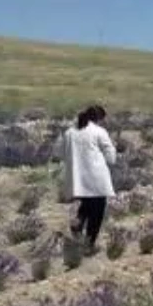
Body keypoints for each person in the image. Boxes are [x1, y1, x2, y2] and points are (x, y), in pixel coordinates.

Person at [55, 104, 117, 251]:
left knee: (87, 204)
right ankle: (89, 243)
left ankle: (79, 222)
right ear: (98, 119)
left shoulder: (69, 132)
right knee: (98, 210)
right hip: (96, 176)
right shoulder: (99, 131)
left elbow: (59, 153)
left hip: (77, 178)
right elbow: (111, 157)